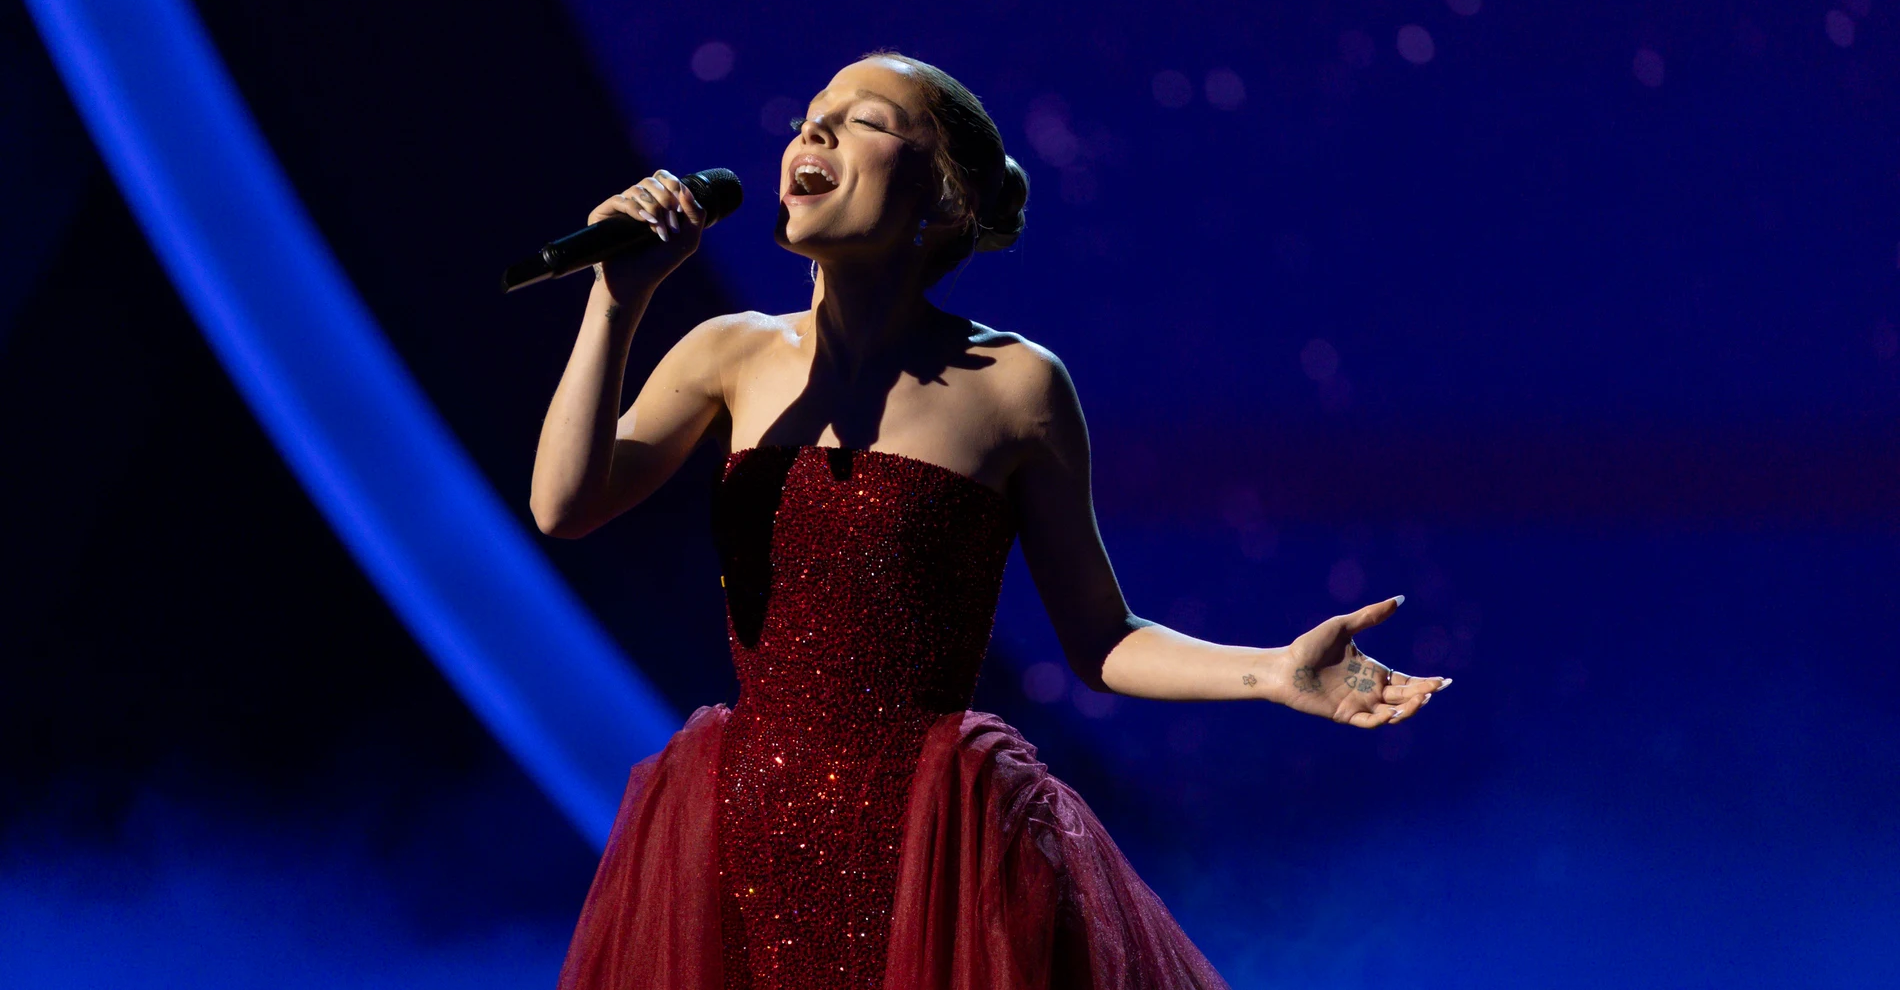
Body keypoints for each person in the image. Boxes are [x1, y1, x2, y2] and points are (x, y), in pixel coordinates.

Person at [530, 51, 1450, 989]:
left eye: (865, 119)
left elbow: (1102, 637)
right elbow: (564, 504)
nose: (815, 130)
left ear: (944, 195)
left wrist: (1272, 671)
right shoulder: (728, 352)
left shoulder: (1016, 385)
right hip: (742, 833)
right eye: (811, 114)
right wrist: (620, 295)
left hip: (936, 853)